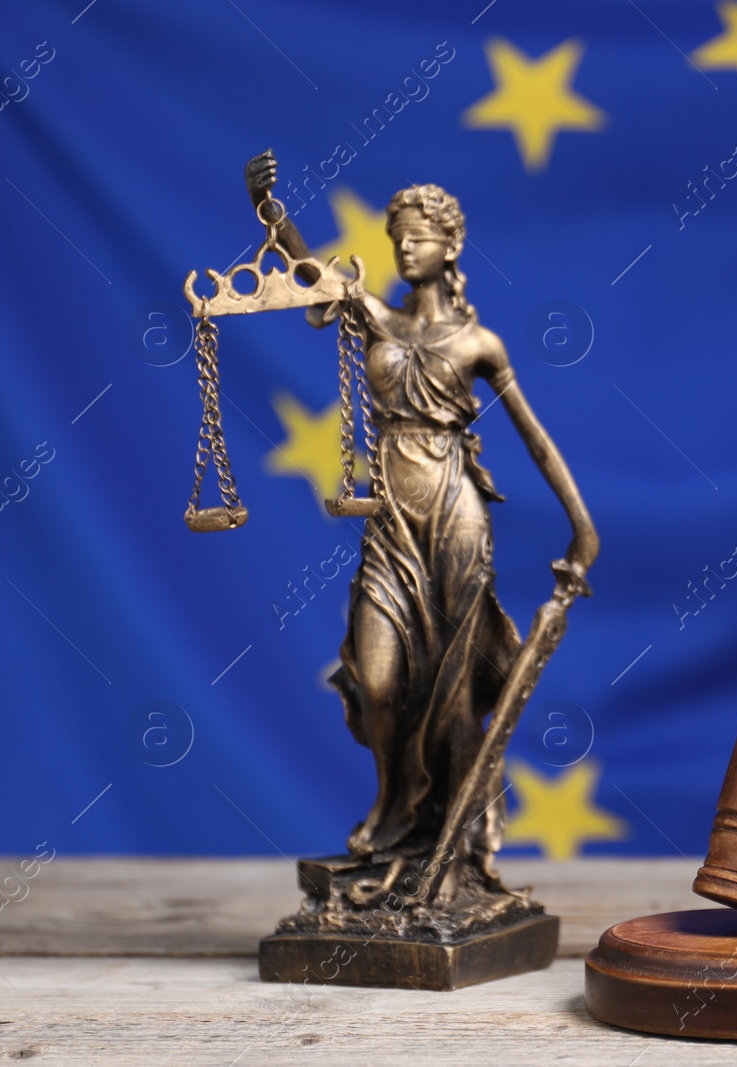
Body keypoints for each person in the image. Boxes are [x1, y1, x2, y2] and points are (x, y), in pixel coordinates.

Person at [244, 150, 598, 901]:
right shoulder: (378, 316)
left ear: (450, 245)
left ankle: (455, 849)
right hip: (390, 519)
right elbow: (312, 274)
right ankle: (393, 805)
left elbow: (535, 435)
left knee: (456, 690)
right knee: (378, 679)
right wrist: (273, 213)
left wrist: (582, 526)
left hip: (453, 511)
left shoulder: (479, 343)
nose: (405, 246)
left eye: (420, 235)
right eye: (397, 234)